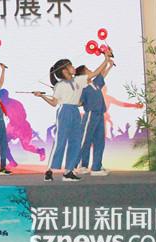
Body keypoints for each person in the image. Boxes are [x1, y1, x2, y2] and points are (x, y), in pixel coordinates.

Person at [34, 50, 111, 182]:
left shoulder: (79, 80)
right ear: (65, 71)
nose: (73, 67)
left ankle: (68, 171)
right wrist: (42, 96)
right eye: (70, 66)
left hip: (75, 112)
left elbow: (95, 73)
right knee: (60, 141)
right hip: (64, 111)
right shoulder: (59, 85)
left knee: (75, 141)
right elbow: (54, 103)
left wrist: (106, 60)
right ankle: (49, 170)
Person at [75, 57, 114, 176]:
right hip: (90, 115)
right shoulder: (82, 85)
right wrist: (106, 59)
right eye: (87, 70)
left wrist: (109, 65)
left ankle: (96, 168)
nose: (90, 70)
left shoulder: (95, 84)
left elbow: (102, 75)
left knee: (99, 141)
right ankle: (77, 166)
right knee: (84, 140)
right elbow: (79, 102)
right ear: (83, 75)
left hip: (100, 114)